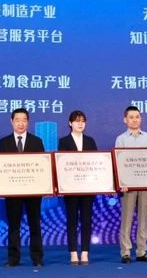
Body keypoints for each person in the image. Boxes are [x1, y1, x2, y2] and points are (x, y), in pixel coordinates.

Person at [0, 108, 45, 267]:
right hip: (12, 192)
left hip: (33, 191)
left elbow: (42, 166)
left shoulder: (37, 142)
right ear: (11, 121)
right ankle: (13, 258)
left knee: (34, 224)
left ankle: (37, 258)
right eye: (17, 120)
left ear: (28, 122)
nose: (21, 123)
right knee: (13, 226)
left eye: (24, 120)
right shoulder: (4, 143)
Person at [114, 106, 147, 264]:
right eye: (131, 117)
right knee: (127, 218)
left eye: (137, 117)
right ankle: (125, 252)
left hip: (145, 184)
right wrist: (121, 182)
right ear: (125, 120)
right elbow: (118, 163)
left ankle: (141, 251)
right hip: (128, 186)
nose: (134, 120)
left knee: (143, 218)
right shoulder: (121, 139)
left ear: (141, 119)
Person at [58, 110, 98, 266]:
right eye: (77, 121)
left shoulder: (90, 141)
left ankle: (85, 252)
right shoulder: (64, 141)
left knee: (86, 220)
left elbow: (96, 162)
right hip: (71, 188)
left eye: (83, 121)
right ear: (70, 123)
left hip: (88, 187)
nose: (80, 124)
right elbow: (61, 164)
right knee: (72, 221)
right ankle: (73, 253)